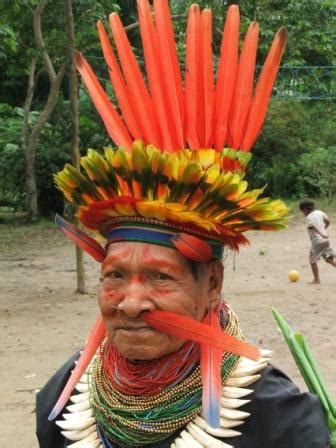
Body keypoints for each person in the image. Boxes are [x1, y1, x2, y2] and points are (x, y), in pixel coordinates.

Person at [36, 1, 330, 447]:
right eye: (114, 274)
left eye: (160, 276)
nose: (130, 303)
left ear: (212, 282)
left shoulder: (281, 426)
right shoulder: (60, 402)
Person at [299, 198, 336, 284]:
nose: (303, 214)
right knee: (329, 259)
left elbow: (312, 227)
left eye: (302, 212)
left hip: (317, 242)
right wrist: (324, 230)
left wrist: (321, 233)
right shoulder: (320, 212)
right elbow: (328, 221)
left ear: (305, 209)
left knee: (312, 261)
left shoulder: (308, 218)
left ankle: (316, 279)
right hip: (326, 240)